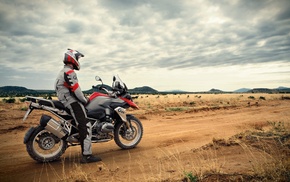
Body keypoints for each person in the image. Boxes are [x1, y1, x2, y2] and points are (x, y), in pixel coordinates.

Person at [55, 49, 101, 163]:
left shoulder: (62, 71)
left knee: (82, 123)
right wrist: (85, 100)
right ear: (72, 58)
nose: (78, 61)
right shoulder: (70, 72)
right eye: (78, 58)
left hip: (65, 100)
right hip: (72, 102)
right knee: (86, 125)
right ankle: (87, 155)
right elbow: (77, 91)